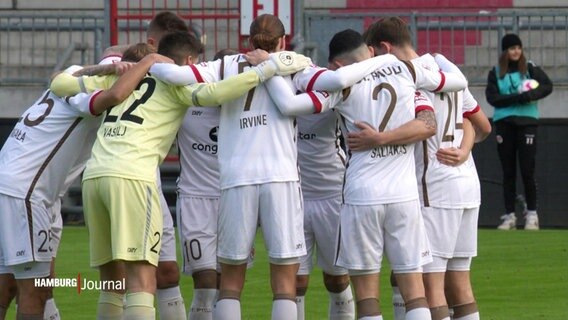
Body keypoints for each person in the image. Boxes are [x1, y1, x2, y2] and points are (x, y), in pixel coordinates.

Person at [49, 31, 310, 320]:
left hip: (94, 176)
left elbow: (59, 81)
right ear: (186, 61)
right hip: (133, 176)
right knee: (142, 280)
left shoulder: (117, 78)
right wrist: (264, 70)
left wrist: (111, 67)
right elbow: (215, 93)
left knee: (113, 283)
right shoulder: (174, 86)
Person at [264, 28, 468, 320]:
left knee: (367, 296)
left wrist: (269, 68)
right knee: (414, 291)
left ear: (337, 65)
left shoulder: (342, 86)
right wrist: (387, 136)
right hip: (403, 196)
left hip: (362, 196)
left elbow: (289, 105)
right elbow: (430, 119)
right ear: (369, 51)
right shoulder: (407, 70)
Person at [0, 48, 166, 319]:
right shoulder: (88, 93)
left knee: (7, 286)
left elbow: (64, 76)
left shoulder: (72, 74)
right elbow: (114, 95)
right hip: (26, 192)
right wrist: (147, 63)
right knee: (35, 290)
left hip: (15, 184)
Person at [361, 17, 492, 320]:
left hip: (434, 188)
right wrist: (464, 149)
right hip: (467, 185)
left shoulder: (409, 79)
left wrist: (378, 139)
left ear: (385, 47)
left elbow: (424, 128)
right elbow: (480, 124)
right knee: (460, 284)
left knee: (431, 286)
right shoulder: (444, 69)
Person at [176, 48, 238, 320]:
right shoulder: (187, 102)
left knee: (230, 285)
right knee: (204, 282)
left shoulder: (245, 107)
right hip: (195, 197)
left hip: (235, 200)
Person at [485, 33, 552, 230]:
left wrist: (530, 94)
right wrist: (517, 97)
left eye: (518, 48)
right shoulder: (496, 72)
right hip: (504, 124)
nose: (515, 51)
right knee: (508, 172)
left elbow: (547, 86)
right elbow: (493, 98)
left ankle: (532, 215)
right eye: (511, 48)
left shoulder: (530, 68)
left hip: (527, 123)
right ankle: (510, 216)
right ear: (505, 51)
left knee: (527, 170)